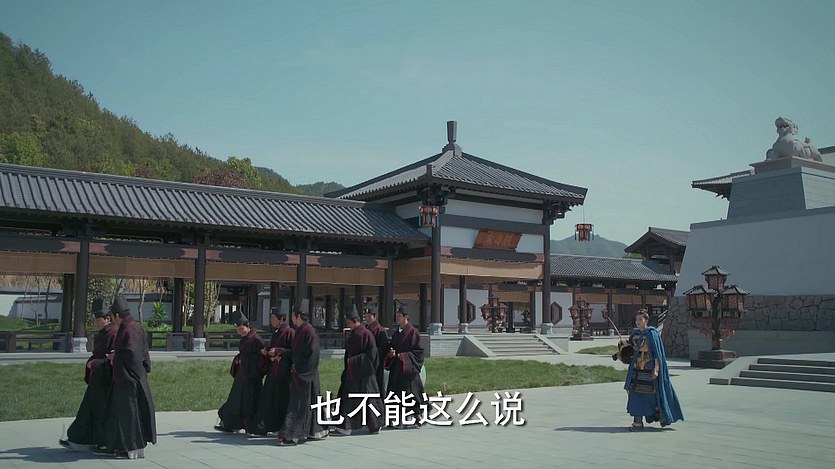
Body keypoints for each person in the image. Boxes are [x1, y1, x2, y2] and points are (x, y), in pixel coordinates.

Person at [100, 295, 156, 459]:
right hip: (137, 377)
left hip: (128, 379)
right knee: (133, 414)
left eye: (113, 317)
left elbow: (132, 355)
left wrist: (115, 357)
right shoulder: (136, 327)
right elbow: (142, 354)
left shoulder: (128, 330)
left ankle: (131, 448)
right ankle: (134, 448)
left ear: (117, 315)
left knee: (130, 415)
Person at [60, 299, 117, 450]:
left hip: (105, 379)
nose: (97, 323)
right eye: (96, 320)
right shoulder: (103, 333)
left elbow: (112, 359)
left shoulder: (113, 334)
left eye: (99, 320)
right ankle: (79, 439)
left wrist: (95, 363)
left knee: (97, 412)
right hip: (97, 377)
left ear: (108, 319)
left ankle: (93, 440)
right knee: (87, 410)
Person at [624, 309, 684, 431]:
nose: (638, 322)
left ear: (646, 320)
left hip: (648, 369)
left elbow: (657, 354)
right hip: (636, 371)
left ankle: (661, 415)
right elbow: (629, 350)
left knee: (652, 395)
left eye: (640, 319)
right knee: (635, 395)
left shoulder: (652, 334)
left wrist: (656, 369)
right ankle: (637, 422)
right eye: (636, 319)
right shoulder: (634, 334)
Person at [277, 306, 328, 445]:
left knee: (299, 404)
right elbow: (295, 353)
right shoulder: (300, 331)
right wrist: (281, 352)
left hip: (306, 373)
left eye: (293, 316)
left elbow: (313, 355)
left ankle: (293, 435)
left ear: (298, 316)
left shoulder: (310, 332)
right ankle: (313, 431)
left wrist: (301, 371)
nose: (292, 319)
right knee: (308, 403)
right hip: (300, 371)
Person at [331, 306, 384, 436]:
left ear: (354, 321)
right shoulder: (355, 333)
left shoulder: (365, 334)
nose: (347, 324)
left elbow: (372, 356)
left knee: (364, 400)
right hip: (353, 373)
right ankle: (366, 425)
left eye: (348, 322)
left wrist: (353, 361)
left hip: (364, 374)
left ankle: (367, 425)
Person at [249, 307, 295, 436]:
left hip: (283, 372)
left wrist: (278, 351)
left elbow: (293, 352)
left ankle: (279, 426)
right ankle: (264, 427)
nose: (271, 321)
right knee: (268, 399)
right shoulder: (277, 332)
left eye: (274, 318)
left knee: (281, 401)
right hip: (273, 371)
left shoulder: (290, 332)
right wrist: (268, 350)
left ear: (281, 320)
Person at [216, 315, 265, 433]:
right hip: (242, 374)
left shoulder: (256, 339)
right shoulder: (245, 338)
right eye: (238, 330)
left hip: (251, 376)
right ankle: (230, 424)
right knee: (235, 400)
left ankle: (250, 426)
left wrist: (245, 361)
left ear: (248, 326)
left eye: (241, 329)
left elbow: (260, 358)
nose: (240, 332)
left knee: (249, 402)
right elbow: (243, 354)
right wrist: (239, 359)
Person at [384, 307, 424, 428]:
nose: (397, 318)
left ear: (406, 317)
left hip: (408, 369)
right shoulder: (397, 333)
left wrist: (403, 356)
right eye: (397, 316)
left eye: (399, 316)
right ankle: (396, 419)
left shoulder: (413, 332)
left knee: (410, 393)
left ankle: (417, 417)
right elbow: (392, 346)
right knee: (395, 393)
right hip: (397, 368)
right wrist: (391, 352)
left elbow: (418, 352)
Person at [363, 306, 389, 395]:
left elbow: (384, 348)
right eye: (366, 316)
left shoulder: (380, 330)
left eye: (369, 316)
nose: (367, 319)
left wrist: (372, 352)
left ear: (374, 317)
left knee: (377, 383)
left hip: (376, 362)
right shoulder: (365, 330)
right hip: (366, 362)